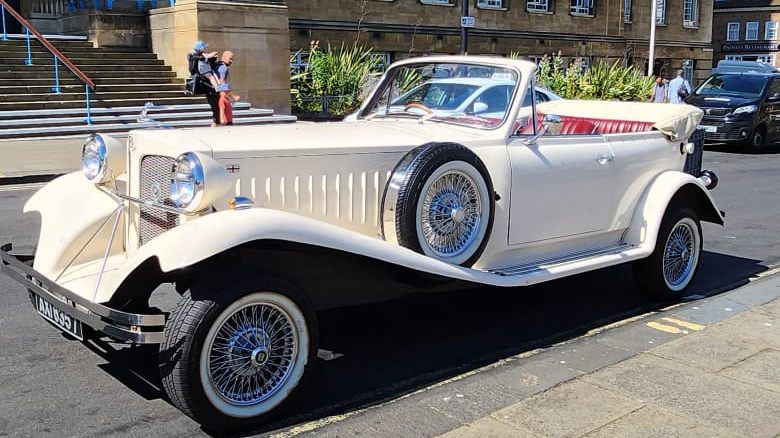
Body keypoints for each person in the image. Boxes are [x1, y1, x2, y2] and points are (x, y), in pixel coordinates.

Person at [187, 41, 221, 126]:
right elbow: (206, 56)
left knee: (211, 77)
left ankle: (216, 120)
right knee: (211, 77)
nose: (205, 49)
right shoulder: (196, 54)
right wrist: (212, 54)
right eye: (204, 47)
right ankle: (217, 87)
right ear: (200, 48)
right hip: (204, 70)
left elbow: (208, 58)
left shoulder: (199, 54)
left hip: (204, 69)